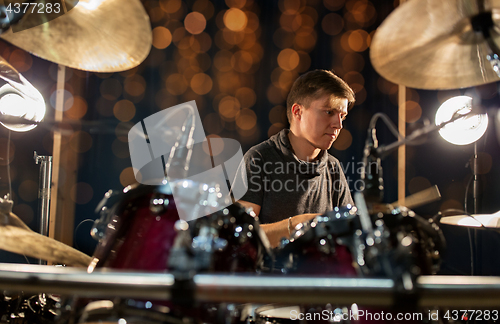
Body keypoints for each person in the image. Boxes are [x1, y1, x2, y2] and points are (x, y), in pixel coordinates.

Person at [237, 69, 355, 248]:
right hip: (271, 275)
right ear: (298, 111)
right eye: (329, 112)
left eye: (342, 116)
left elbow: (348, 235)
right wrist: (297, 226)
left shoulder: (333, 167)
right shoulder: (258, 159)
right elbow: (241, 237)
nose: (338, 125)